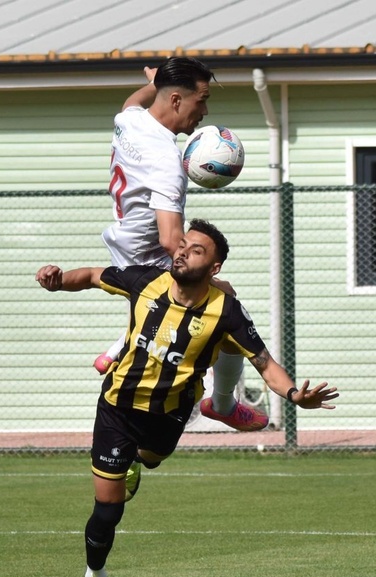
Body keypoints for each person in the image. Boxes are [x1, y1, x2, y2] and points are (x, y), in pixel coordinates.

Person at [34, 219, 339, 577]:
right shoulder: (146, 282)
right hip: (117, 408)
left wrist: (294, 396)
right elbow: (89, 276)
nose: (183, 251)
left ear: (213, 268)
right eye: (184, 245)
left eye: (197, 250)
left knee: (153, 460)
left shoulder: (225, 310)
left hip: (172, 412)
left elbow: (264, 364)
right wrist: (56, 281)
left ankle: (142, 459)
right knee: (108, 509)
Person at [97, 56, 267, 432]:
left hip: (123, 247)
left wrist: (153, 82)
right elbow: (171, 239)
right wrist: (200, 265)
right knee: (225, 305)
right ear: (176, 100)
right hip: (150, 259)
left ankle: (120, 345)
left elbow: (132, 103)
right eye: (201, 100)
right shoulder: (165, 161)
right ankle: (221, 403)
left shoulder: (130, 121)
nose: (204, 110)